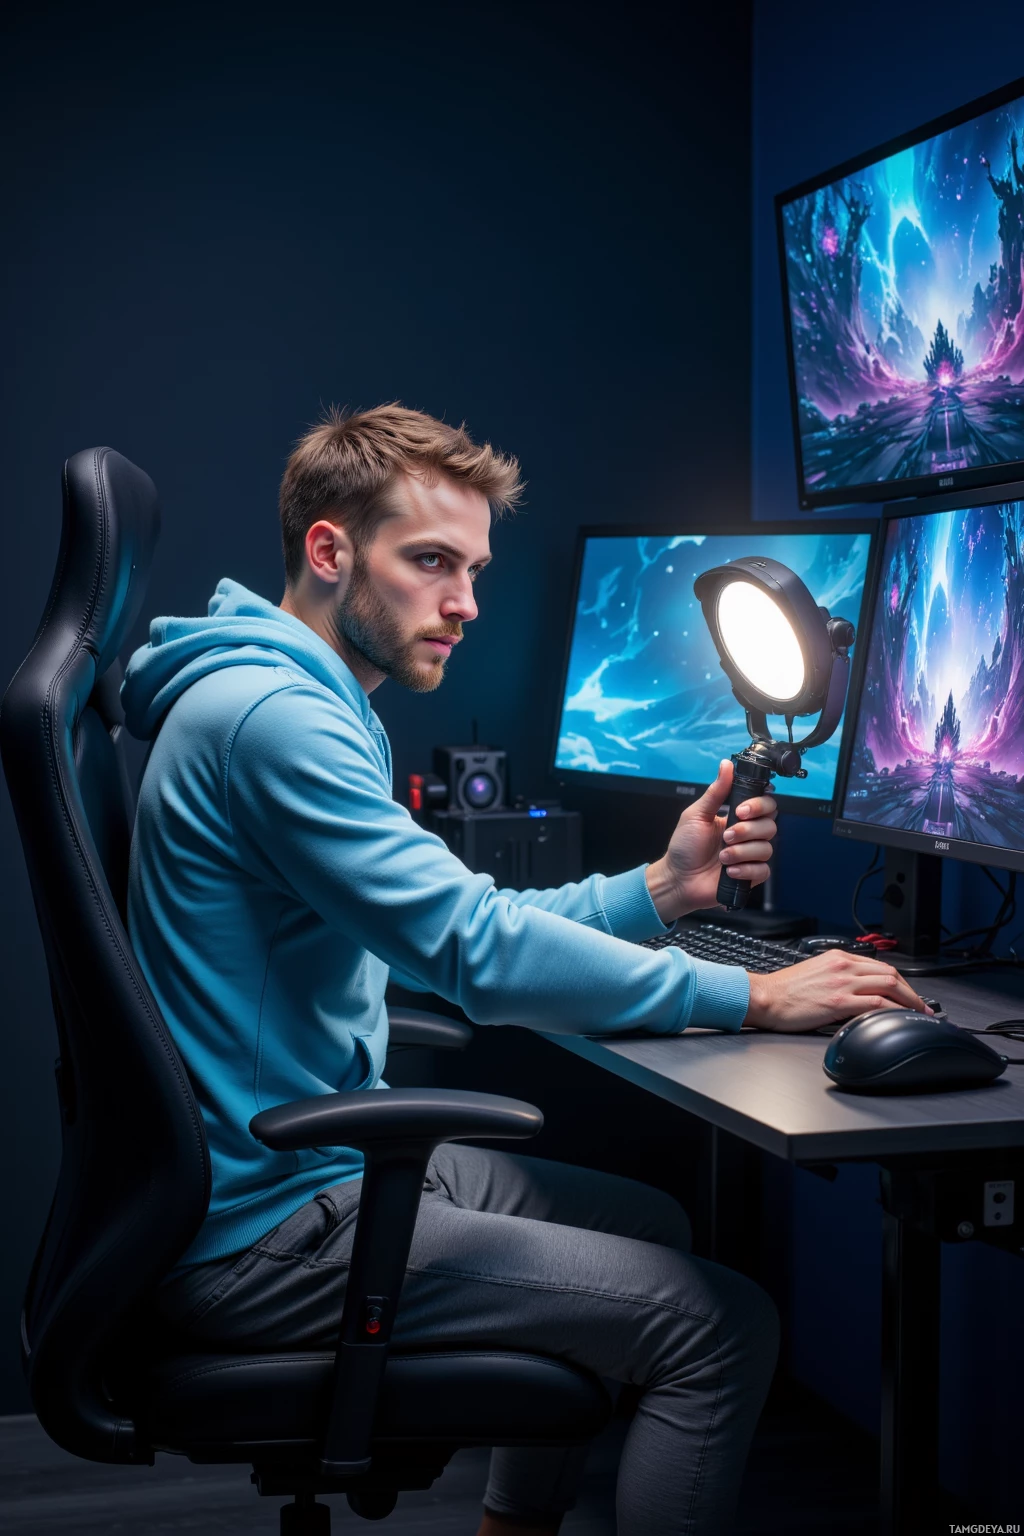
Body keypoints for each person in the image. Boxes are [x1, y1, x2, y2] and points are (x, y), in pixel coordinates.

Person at [122, 405, 929, 1536]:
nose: (465, 603)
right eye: (431, 562)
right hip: (269, 1226)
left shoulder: (290, 695)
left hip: (292, 1167)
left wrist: (657, 892)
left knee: (652, 1222)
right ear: (328, 550)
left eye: (475, 568)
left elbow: (468, 918)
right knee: (724, 1328)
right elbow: (473, 950)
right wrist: (752, 992)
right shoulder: (275, 721)